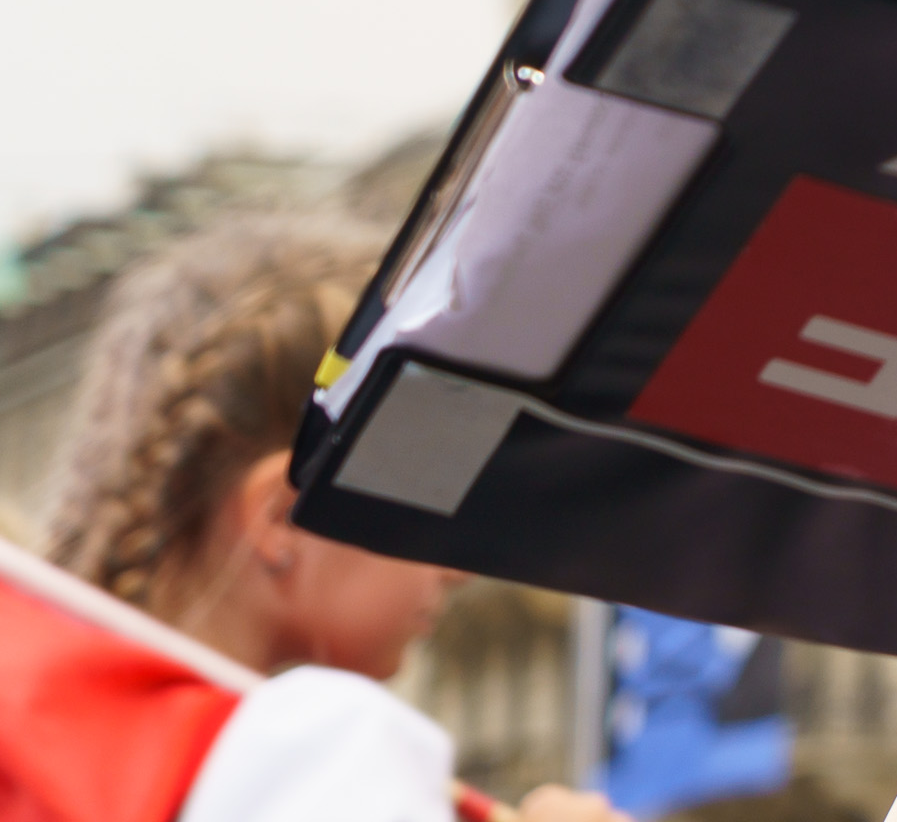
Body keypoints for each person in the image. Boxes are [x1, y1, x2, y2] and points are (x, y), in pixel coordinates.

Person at [28, 213, 626, 822]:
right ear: (283, 519)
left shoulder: (49, 750)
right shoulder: (322, 757)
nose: (456, 570)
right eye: (434, 503)